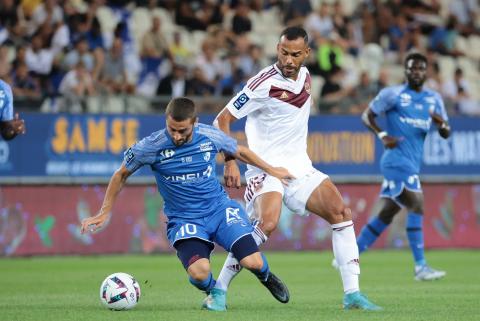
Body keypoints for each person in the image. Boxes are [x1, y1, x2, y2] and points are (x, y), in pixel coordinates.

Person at [207, 26, 381, 311]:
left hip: (299, 167)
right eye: (284, 53)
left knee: (341, 213)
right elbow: (221, 120)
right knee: (268, 224)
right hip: (266, 168)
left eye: (295, 55)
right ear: (278, 49)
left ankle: (352, 295)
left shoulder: (306, 76)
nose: (288, 60)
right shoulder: (261, 83)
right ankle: (218, 290)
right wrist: (230, 160)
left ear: (307, 54)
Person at [80, 97, 291, 311]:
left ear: (195, 123)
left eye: (183, 131)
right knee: (199, 273)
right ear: (166, 121)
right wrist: (104, 212)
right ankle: (215, 291)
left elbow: (240, 151)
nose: (176, 136)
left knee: (252, 262)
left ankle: (266, 277)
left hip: (219, 210)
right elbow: (121, 174)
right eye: (172, 129)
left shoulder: (209, 135)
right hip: (184, 219)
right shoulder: (151, 146)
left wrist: (273, 170)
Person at [354, 52, 451, 281]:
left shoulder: (434, 99)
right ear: (406, 71)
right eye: (411, 68)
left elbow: (446, 133)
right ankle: (421, 267)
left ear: (426, 72)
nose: (415, 72)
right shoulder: (393, 94)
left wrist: (443, 124)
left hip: (411, 163)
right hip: (396, 161)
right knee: (416, 204)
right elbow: (367, 116)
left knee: (387, 213)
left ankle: (350, 256)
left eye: (420, 68)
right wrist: (383, 135)